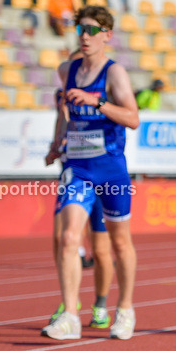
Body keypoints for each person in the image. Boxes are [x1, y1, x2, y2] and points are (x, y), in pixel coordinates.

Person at [43, 6, 139, 340]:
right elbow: (64, 110)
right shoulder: (67, 69)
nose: (84, 36)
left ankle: (124, 308)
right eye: (79, 29)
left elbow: (132, 118)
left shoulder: (115, 74)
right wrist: (58, 143)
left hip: (111, 169)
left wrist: (96, 102)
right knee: (68, 237)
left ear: (107, 35)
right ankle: (70, 315)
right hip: (78, 168)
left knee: (119, 243)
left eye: (91, 30)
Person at [44, 48, 115, 329]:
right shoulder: (65, 93)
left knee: (100, 247)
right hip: (73, 171)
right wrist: (55, 145)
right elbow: (62, 119)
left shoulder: (106, 85)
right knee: (63, 237)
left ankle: (100, 303)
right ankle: (70, 301)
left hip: (102, 172)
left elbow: (125, 118)